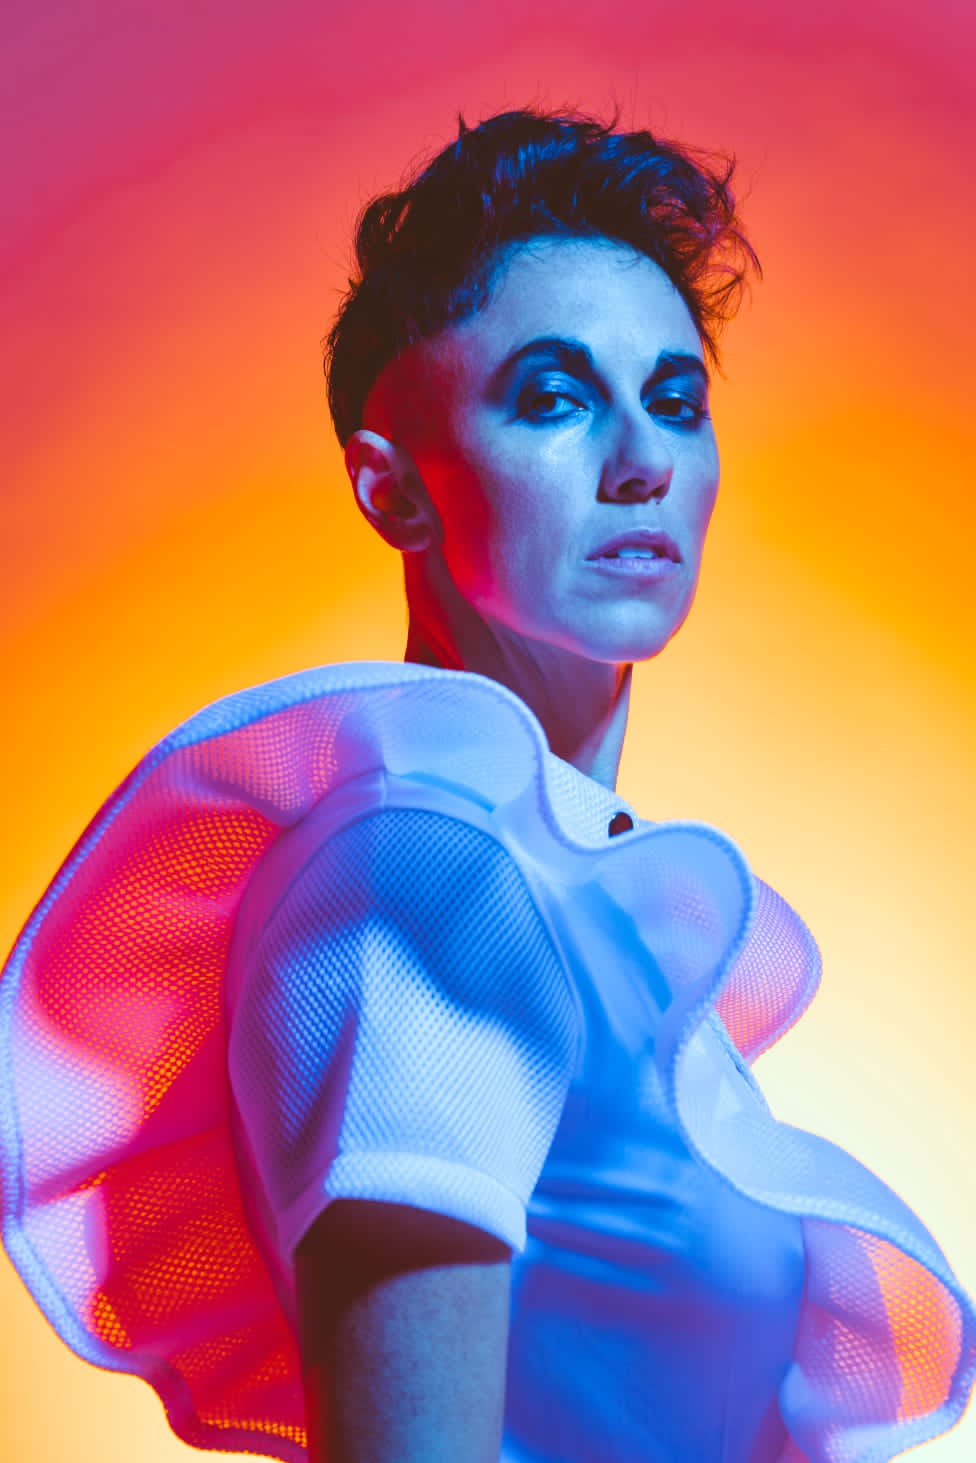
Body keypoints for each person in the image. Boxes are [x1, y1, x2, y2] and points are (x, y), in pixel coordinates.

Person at [0, 107, 973, 1463]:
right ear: (392, 492)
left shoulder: (543, 891)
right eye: (555, 398)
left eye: (675, 403)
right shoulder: (428, 879)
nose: (642, 462)